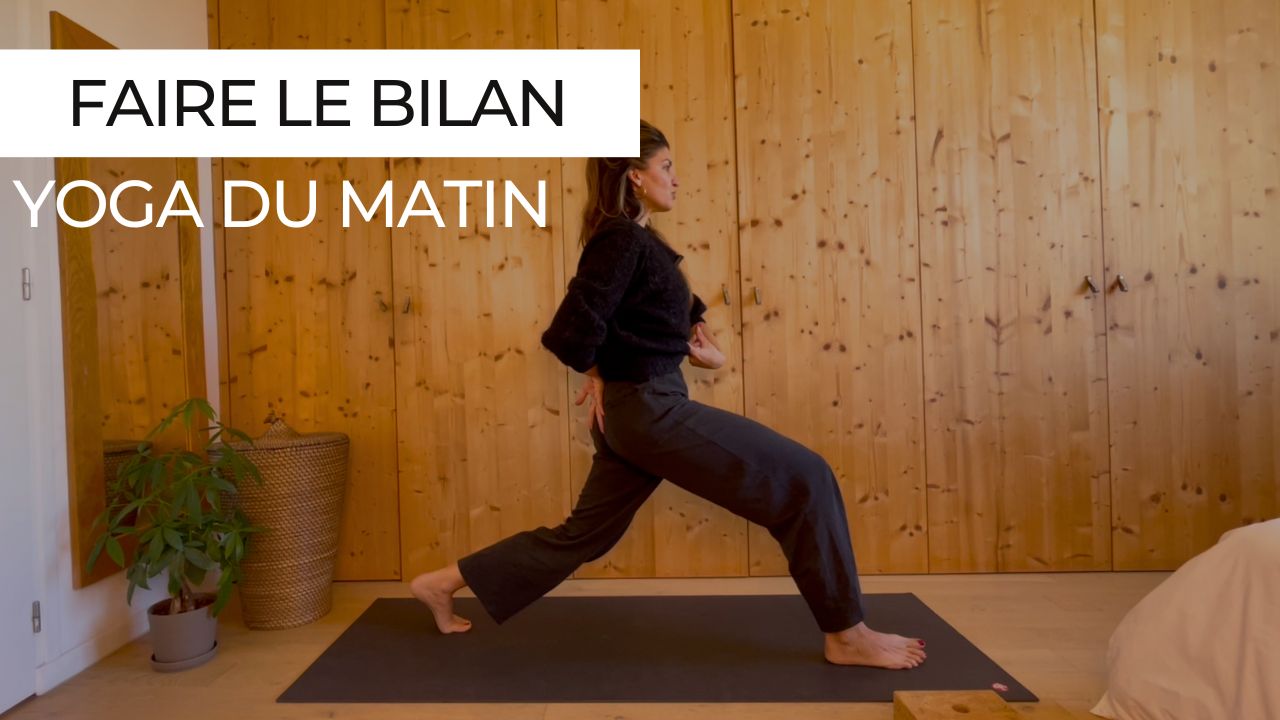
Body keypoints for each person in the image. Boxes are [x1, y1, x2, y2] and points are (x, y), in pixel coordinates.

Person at [409, 120, 926, 670]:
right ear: (635, 177)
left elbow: (681, 317)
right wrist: (599, 368)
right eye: (667, 167)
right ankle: (846, 634)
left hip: (638, 412)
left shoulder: (643, 244)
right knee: (807, 478)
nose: (677, 180)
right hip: (650, 411)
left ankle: (439, 584)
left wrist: (705, 355)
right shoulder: (621, 240)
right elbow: (569, 332)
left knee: (581, 536)